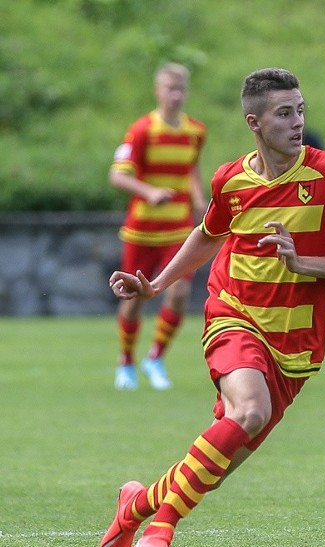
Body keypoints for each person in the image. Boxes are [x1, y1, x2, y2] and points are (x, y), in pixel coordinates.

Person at [98, 67, 325, 547]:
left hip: (296, 347)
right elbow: (209, 234)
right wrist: (158, 285)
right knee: (249, 411)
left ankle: (135, 506)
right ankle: (161, 529)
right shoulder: (231, 179)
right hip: (234, 315)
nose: (297, 123)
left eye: (301, 111)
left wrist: (304, 264)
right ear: (255, 122)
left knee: (217, 465)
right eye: (284, 113)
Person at [110, 62, 207, 391]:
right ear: (158, 91)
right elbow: (118, 175)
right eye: (170, 89)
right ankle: (126, 362)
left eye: (181, 89)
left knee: (179, 292)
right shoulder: (141, 130)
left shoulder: (195, 131)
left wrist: (198, 199)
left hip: (179, 230)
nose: (176, 95)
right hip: (142, 231)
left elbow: (191, 169)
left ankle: (156, 358)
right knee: (135, 299)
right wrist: (149, 192)